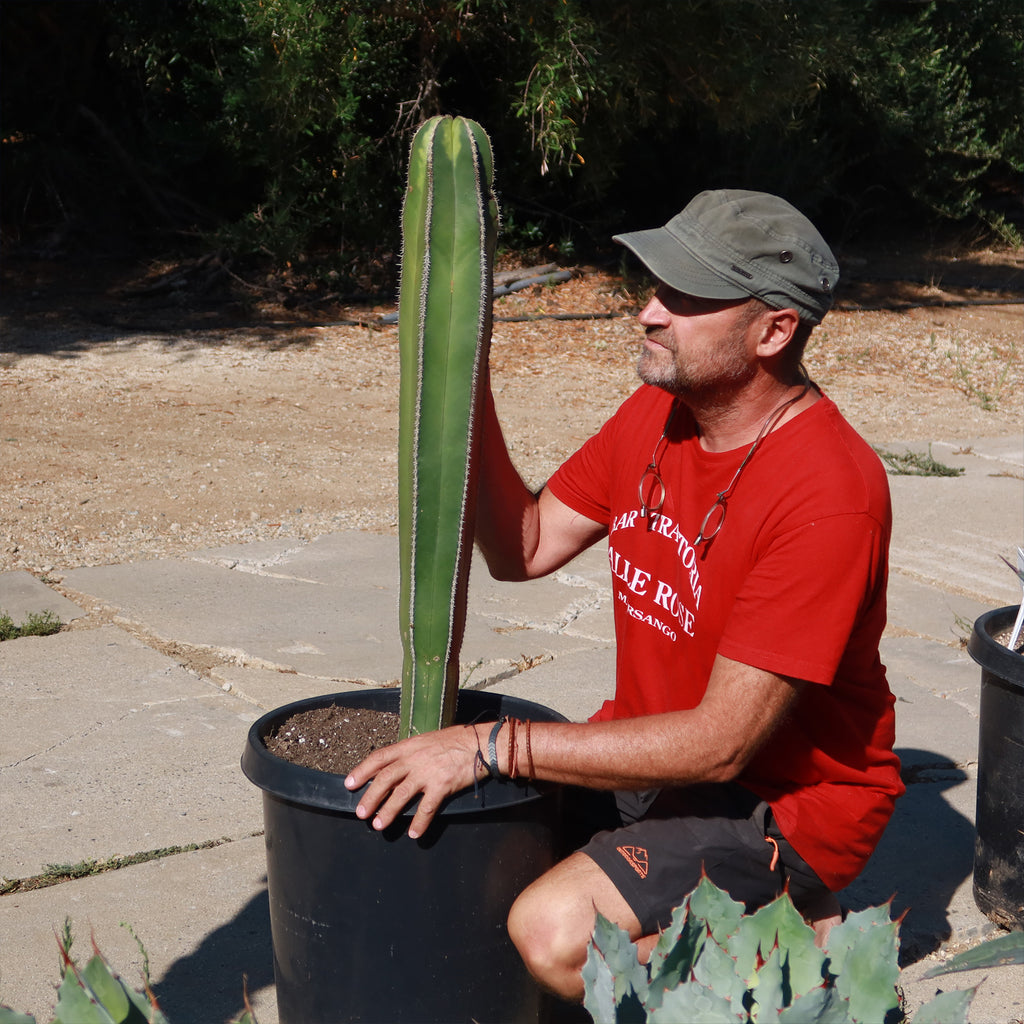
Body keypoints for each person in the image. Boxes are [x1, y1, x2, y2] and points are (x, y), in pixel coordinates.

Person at [345, 189, 904, 1003]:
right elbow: (526, 545)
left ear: (774, 330)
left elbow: (722, 745)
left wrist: (490, 744)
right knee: (470, 863)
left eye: (683, 297)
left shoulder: (827, 492)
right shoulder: (660, 414)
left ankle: (804, 954)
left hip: (784, 806)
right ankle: (762, 918)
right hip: (659, 763)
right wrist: (470, 389)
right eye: (653, 288)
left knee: (553, 937)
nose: (648, 312)